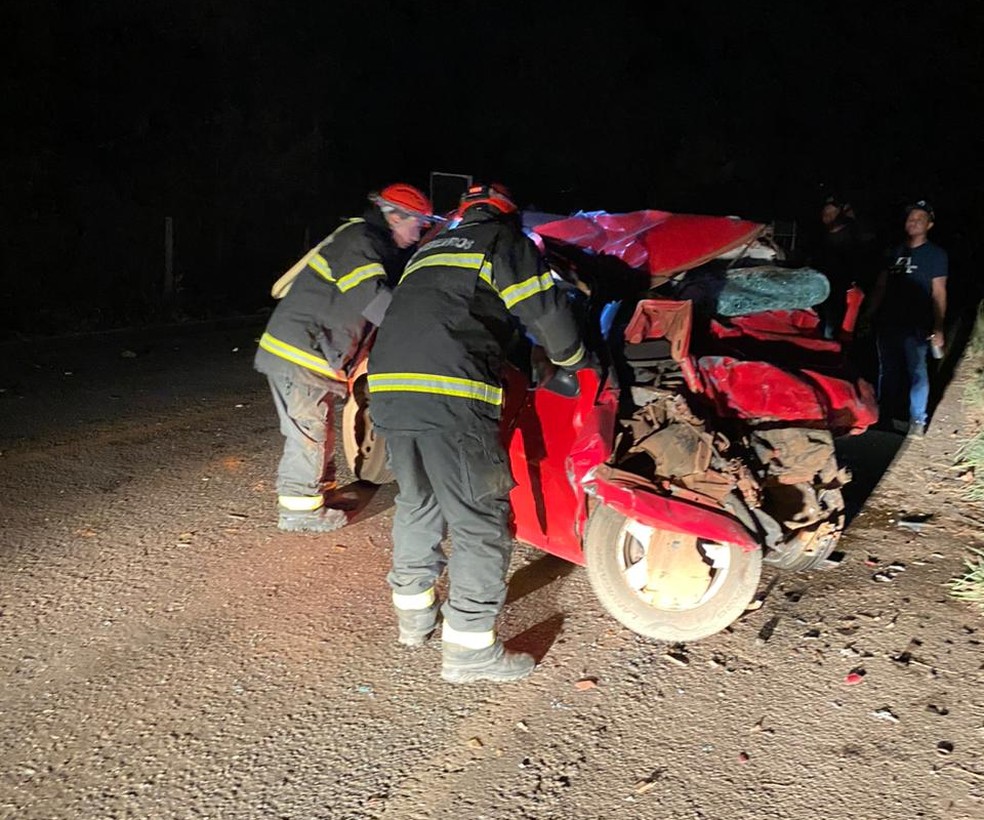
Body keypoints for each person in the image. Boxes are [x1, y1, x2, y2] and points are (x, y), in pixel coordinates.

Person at [366, 183, 590, 684]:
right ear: (508, 218)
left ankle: (414, 620)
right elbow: (545, 312)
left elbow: (455, 317)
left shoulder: (430, 251)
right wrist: (578, 361)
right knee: (480, 520)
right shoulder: (502, 243)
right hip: (449, 394)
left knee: (418, 502)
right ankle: (469, 648)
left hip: (389, 389)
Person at [255, 183, 433, 532]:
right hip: (302, 355)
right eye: (418, 223)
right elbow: (373, 299)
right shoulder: (360, 241)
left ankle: (319, 495)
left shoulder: (370, 243)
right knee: (308, 432)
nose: (420, 231)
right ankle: (300, 513)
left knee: (318, 429)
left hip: (310, 355)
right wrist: (422, 332)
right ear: (395, 217)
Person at [864, 200, 948, 437]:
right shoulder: (893, 251)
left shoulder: (936, 255)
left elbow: (939, 291)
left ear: (929, 224)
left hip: (917, 324)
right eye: (911, 218)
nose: (914, 222)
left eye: (920, 219)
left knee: (918, 372)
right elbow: (881, 286)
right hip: (888, 321)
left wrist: (939, 326)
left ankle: (918, 420)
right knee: (887, 371)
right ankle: (885, 416)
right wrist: (869, 314)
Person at [813, 194, 870, 340]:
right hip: (820, 293)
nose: (829, 216)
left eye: (833, 213)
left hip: (843, 293)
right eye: (826, 213)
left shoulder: (853, 234)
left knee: (835, 333)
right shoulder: (819, 237)